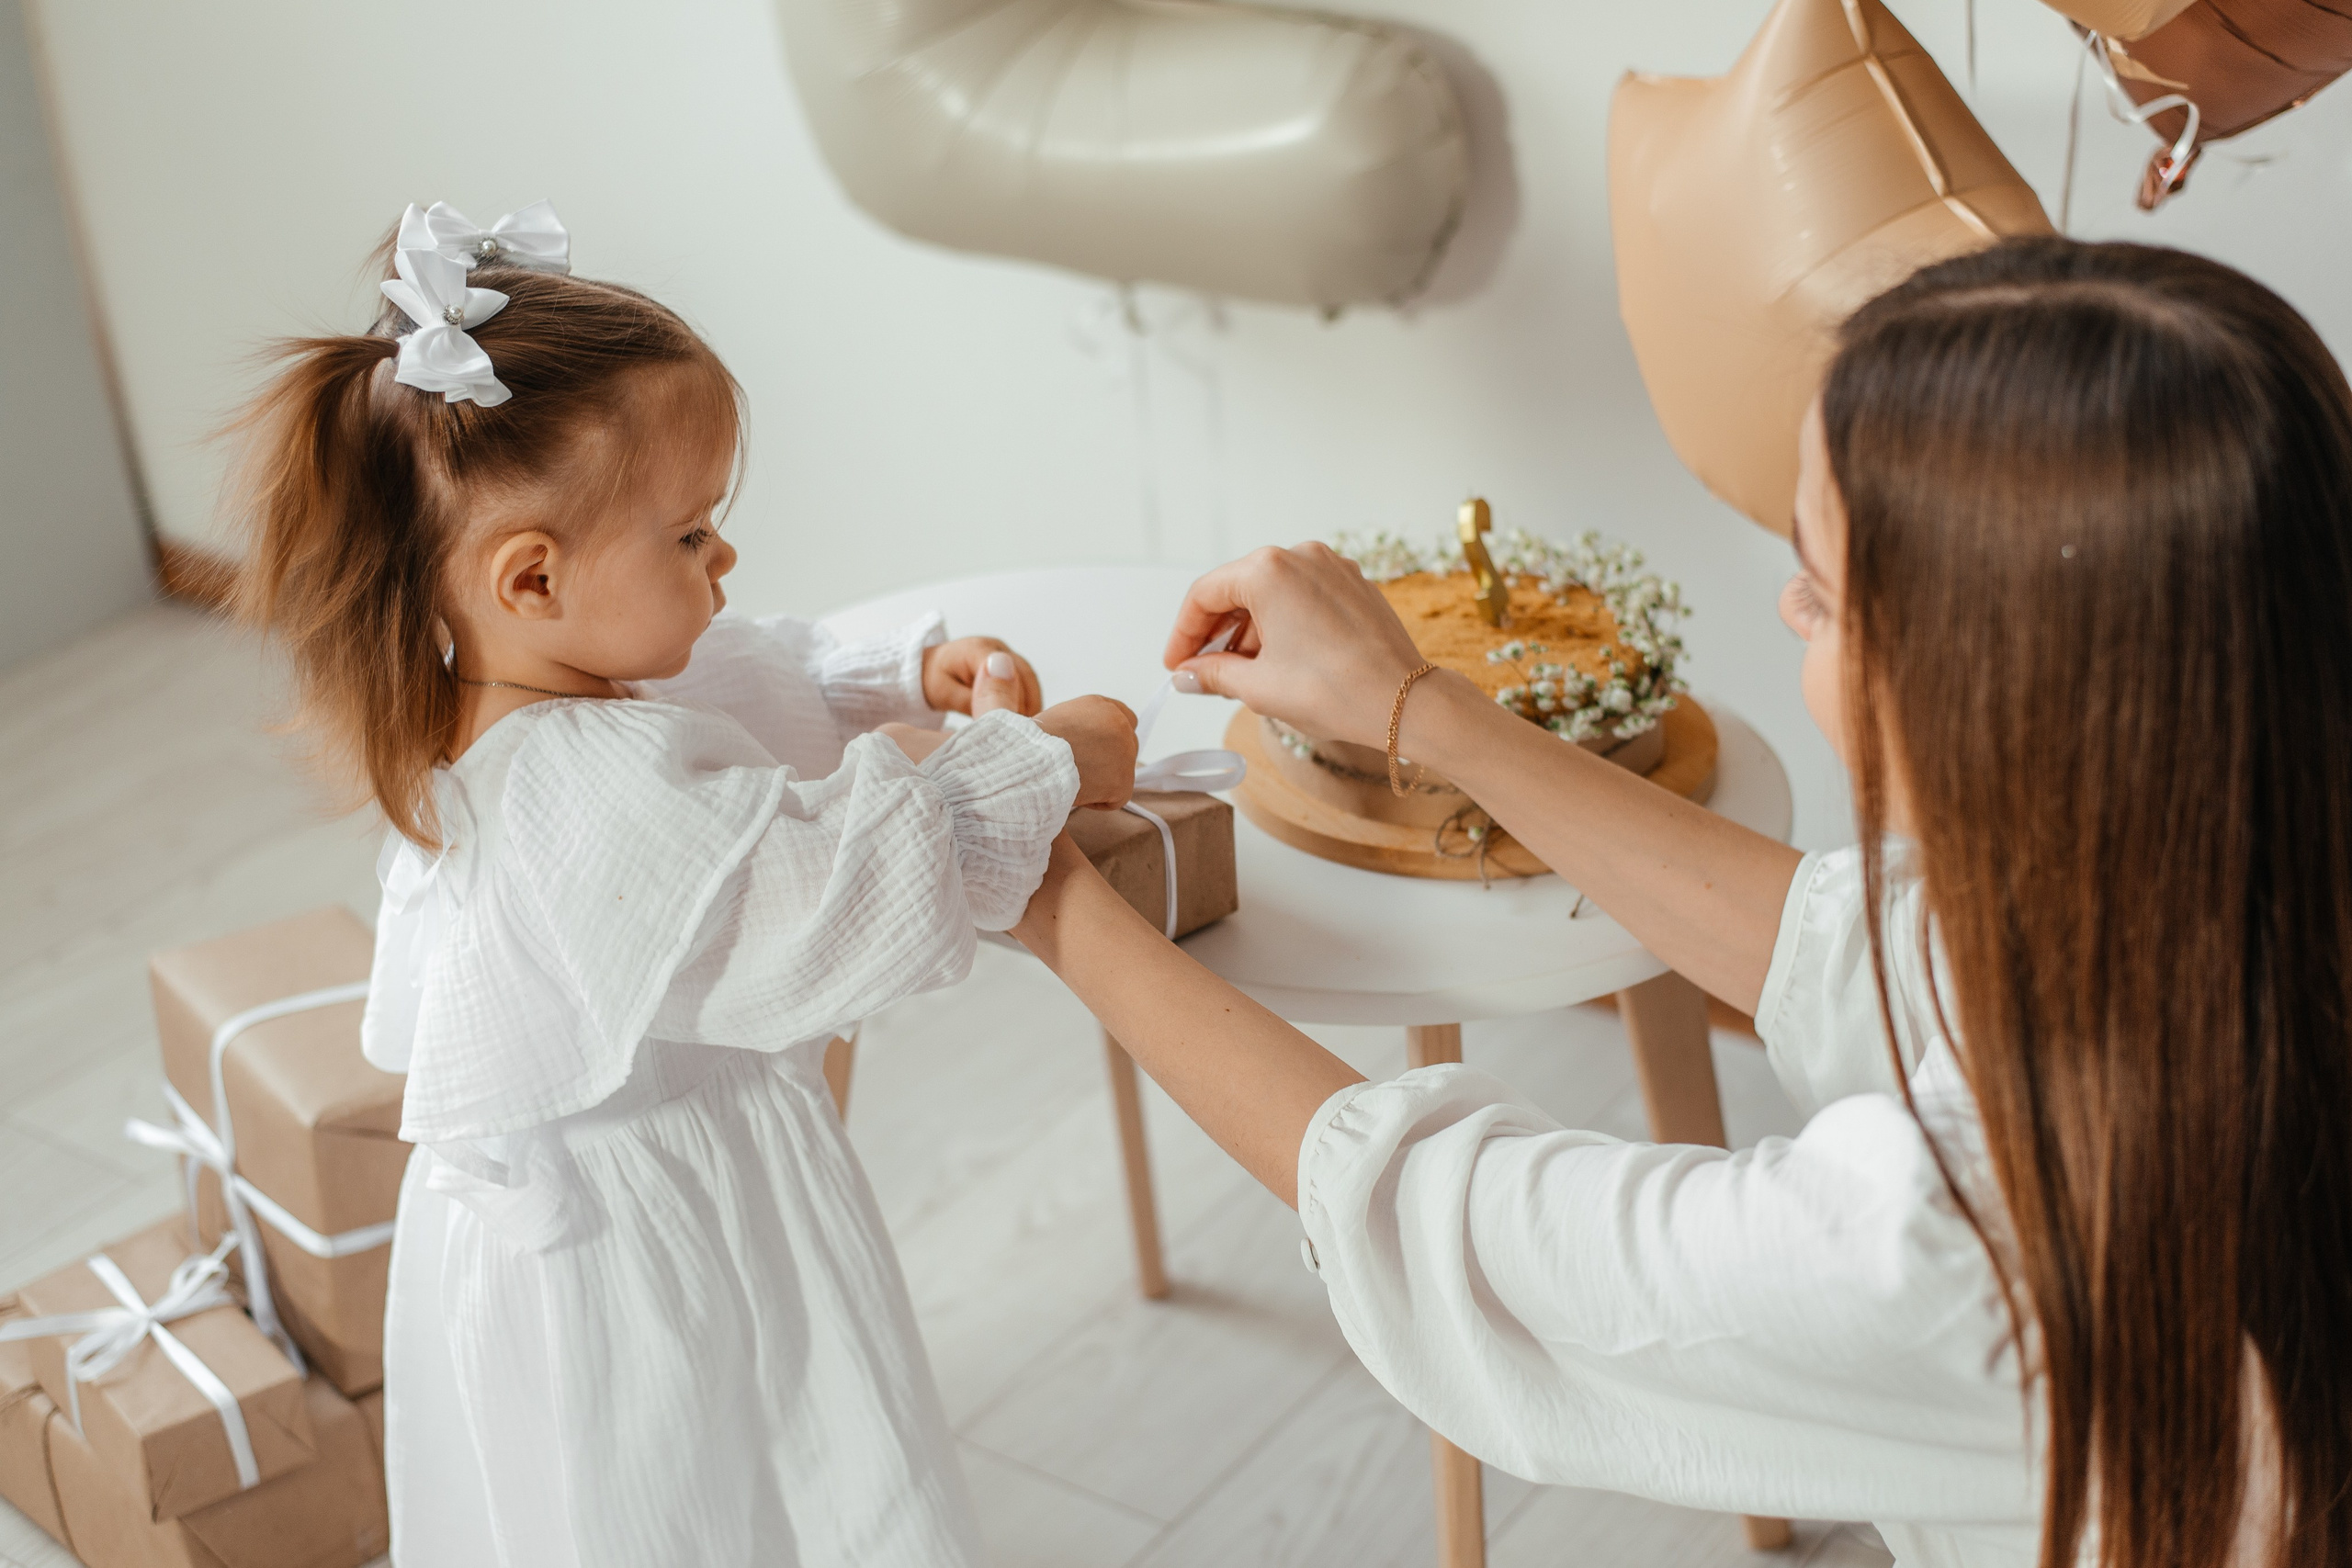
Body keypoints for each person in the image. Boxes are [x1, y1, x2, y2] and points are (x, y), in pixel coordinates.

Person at [1007, 238, 2352, 1568]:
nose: (1783, 605)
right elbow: (1849, 946)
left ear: (1986, 688)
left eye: (1819, 594)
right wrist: (1420, 712)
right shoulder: (2232, 903)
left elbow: (1470, 1237)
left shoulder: (1981, 1240)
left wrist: (1045, 887)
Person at [226, 202, 1138, 1568]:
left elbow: (729, 670)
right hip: (651, 1267)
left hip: (582, 1234)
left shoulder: (499, 685)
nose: (723, 565)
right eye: (693, 535)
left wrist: (887, 680)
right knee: (725, 1501)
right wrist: (1041, 761)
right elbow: (847, 888)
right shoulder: (584, 799)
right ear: (530, 578)